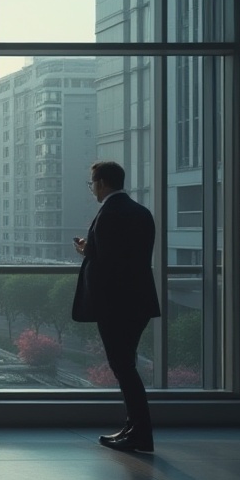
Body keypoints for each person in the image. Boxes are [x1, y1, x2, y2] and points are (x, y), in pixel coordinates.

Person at [73, 160, 161, 453]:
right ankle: (133, 428)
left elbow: (109, 264)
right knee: (126, 365)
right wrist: (94, 249)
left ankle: (140, 433)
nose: (92, 190)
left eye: (91, 184)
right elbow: (129, 257)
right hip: (139, 301)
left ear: (101, 183)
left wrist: (88, 251)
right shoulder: (141, 212)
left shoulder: (109, 213)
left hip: (115, 305)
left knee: (123, 368)